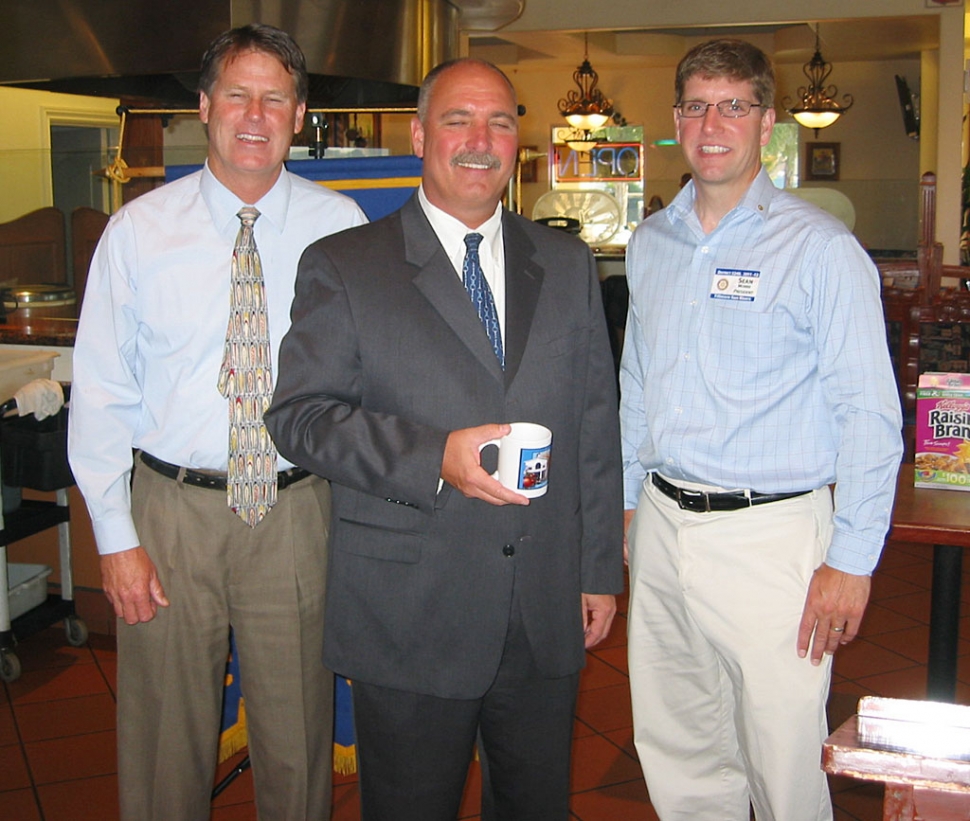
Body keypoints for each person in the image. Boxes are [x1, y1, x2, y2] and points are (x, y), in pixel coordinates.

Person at [265, 58, 623, 821]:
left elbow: (595, 423)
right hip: (411, 608)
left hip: (543, 602)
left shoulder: (565, 264)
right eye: (458, 119)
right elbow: (299, 416)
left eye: (498, 121)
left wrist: (597, 569)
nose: (479, 139)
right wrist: (435, 457)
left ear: (518, 141)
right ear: (421, 134)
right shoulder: (347, 265)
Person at [67, 24, 366, 821]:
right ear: (204, 107)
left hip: (298, 511)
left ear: (300, 114)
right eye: (237, 94)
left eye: (276, 97)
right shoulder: (137, 232)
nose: (255, 114)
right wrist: (115, 538)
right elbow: (98, 391)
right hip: (170, 518)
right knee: (165, 741)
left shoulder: (342, 232)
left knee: (298, 740)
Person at [620, 39, 902, 821]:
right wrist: (627, 502)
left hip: (773, 538)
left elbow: (871, 414)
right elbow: (636, 387)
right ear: (676, 119)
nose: (714, 123)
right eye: (698, 105)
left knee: (782, 760)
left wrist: (852, 559)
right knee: (681, 749)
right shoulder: (652, 244)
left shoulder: (819, 248)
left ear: (767, 122)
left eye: (734, 105)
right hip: (665, 523)